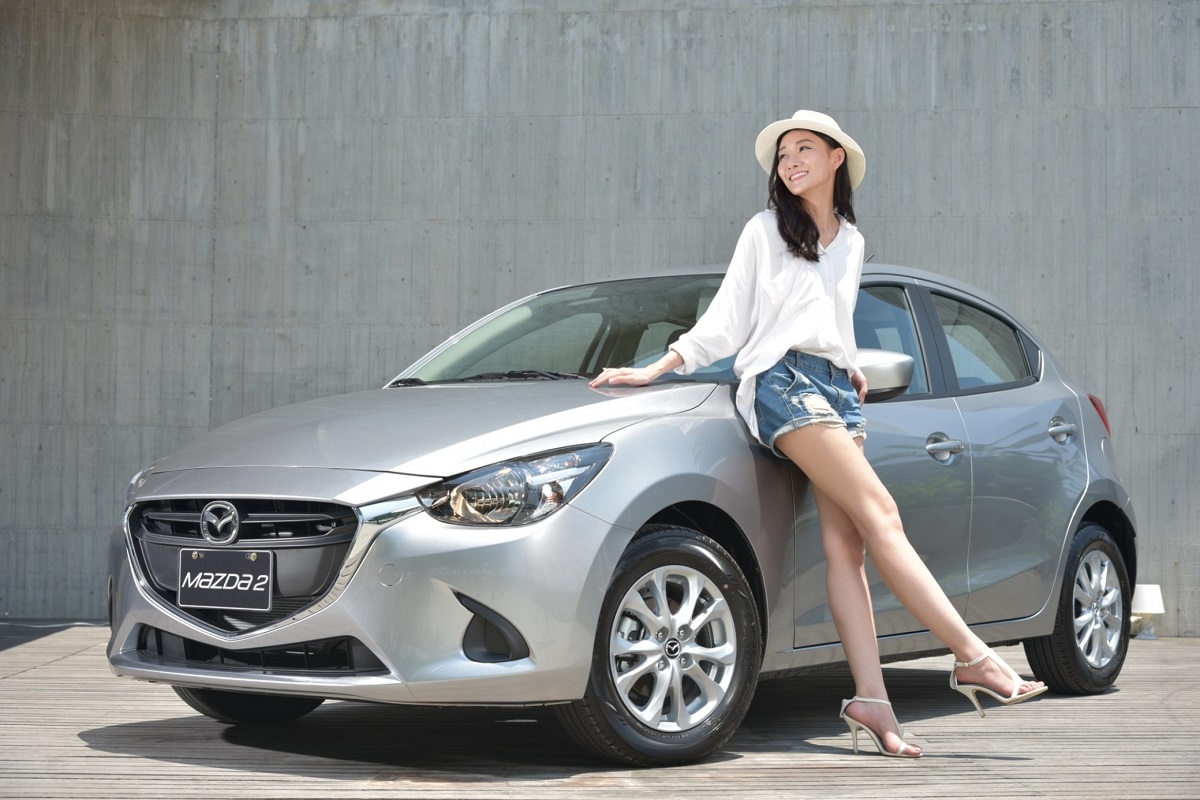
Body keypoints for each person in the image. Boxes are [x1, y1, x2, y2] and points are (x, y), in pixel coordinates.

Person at [589, 110, 1047, 758]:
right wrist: (659, 366)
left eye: (804, 149)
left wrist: (850, 365)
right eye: (783, 155)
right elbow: (728, 318)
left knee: (848, 548)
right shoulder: (764, 230)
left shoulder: (851, 241)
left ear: (837, 158)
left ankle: (872, 701)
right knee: (883, 514)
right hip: (782, 384)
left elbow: (836, 319)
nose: (790, 162)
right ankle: (973, 656)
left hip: (835, 389)